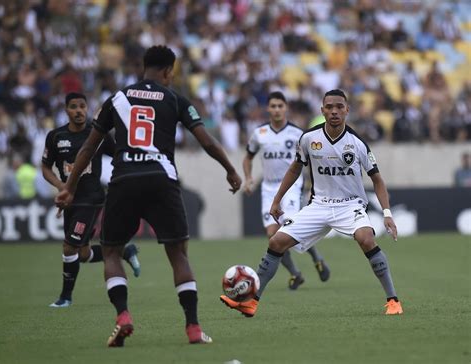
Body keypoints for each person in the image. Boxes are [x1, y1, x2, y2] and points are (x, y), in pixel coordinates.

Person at [55, 46, 242, 346]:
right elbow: (205, 140)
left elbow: (88, 148)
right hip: (161, 179)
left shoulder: (117, 99)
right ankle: (193, 328)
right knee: (178, 254)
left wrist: (69, 187)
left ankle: (123, 316)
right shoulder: (175, 98)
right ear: (168, 71)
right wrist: (230, 169)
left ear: (144, 68)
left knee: (112, 252)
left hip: (123, 179)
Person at [221, 89, 403, 317]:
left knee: (366, 239)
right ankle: (251, 302)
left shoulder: (357, 143)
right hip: (319, 206)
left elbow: (378, 180)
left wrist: (386, 213)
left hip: (350, 205)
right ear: (322, 110)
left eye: (339, 107)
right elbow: (295, 168)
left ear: (347, 110)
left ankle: (393, 300)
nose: (334, 111)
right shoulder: (308, 138)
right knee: (276, 241)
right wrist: (277, 200)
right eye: (330, 107)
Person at [42, 92, 141, 308]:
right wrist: (63, 188)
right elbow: (45, 168)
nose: (78, 111)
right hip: (70, 200)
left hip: (92, 199)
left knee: (69, 248)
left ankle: (65, 298)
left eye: (82, 106)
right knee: (84, 254)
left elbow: (120, 156)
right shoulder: (56, 137)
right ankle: (125, 251)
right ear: (66, 110)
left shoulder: (97, 135)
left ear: (87, 108)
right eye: (73, 107)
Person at [242, 91, 330, 291]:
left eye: (280, 106)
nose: (276, 110)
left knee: (289, 230)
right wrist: (248, 178)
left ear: (286, 108)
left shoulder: (297, 133)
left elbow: (310, 161)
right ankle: (295, 274)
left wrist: (312, 184)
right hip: (268, 188)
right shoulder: (259, 133)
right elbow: (247, 157)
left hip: (291, 187)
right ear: (268, 109)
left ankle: (317, 259)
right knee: (273, 235)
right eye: (273, 106)